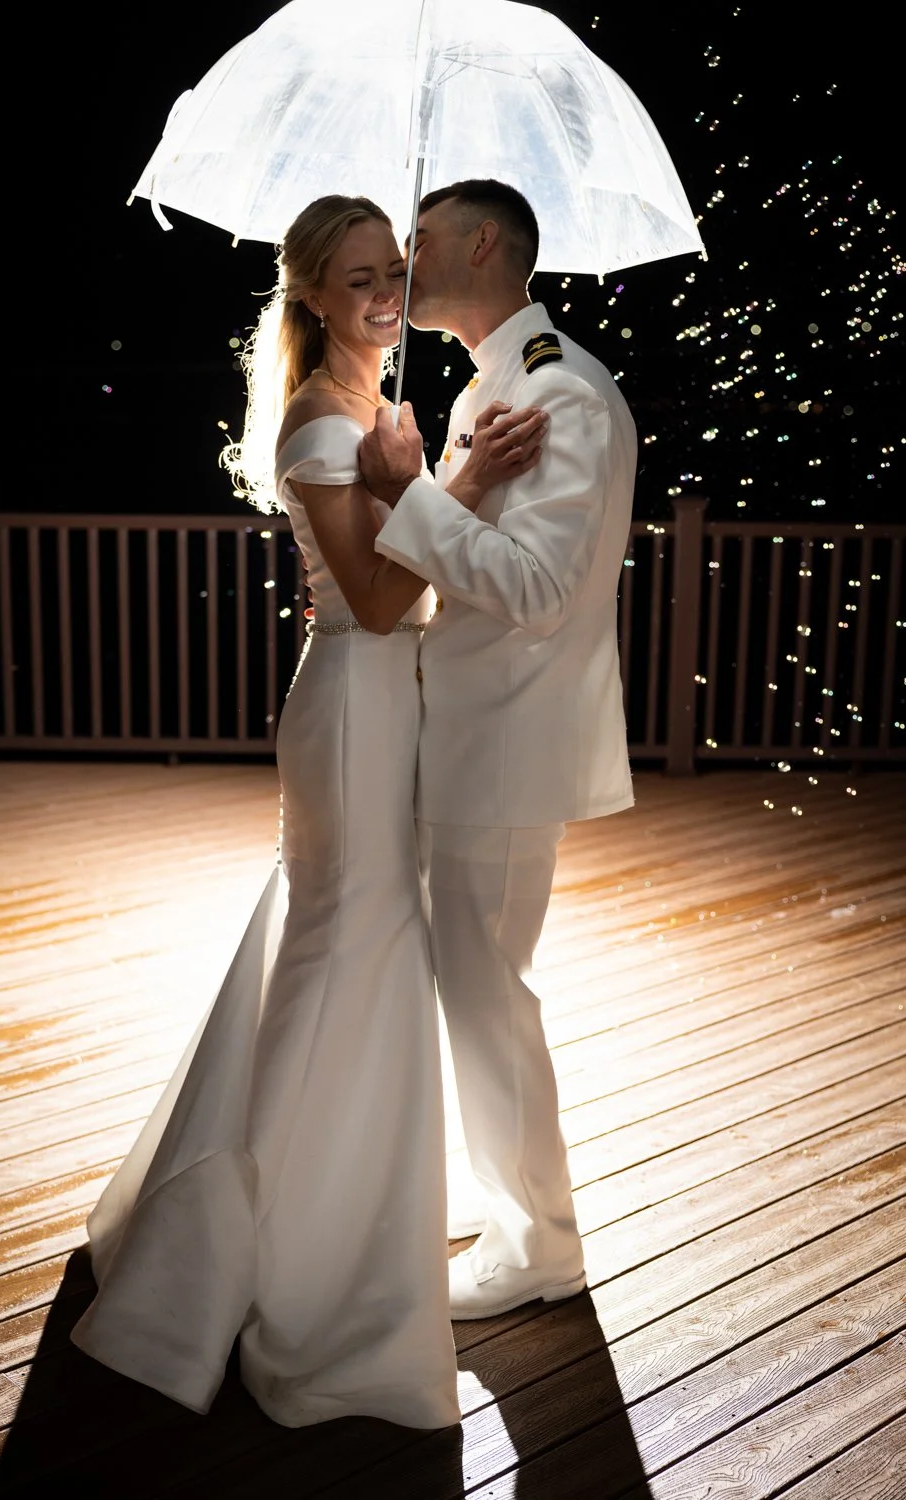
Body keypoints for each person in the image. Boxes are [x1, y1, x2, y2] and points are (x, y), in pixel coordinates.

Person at [69, 194, 543, 1427]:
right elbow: (381, 605)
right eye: (359, 278)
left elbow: (407, 563)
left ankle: (336, 1200)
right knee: (353, 945)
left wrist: (433, 471)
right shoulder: (316, 423)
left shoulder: (381, 409)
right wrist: (436, 479)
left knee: (345, 948)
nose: (387, 293)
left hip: (395, 707)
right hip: (354, 705)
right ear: (314, 297)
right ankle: (285, 1240)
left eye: (396, 271)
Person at [359, 179, 637, 1320]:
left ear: (483, 244)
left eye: (417, 243)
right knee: (471, 985)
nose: (403, 263)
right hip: (467, 732)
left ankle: (538, 1246)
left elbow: (534, 589)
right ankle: (508, 1207)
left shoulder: (562, 396)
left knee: (487, 993)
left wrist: (410, 495)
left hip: (508, 741)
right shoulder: (496, 385)